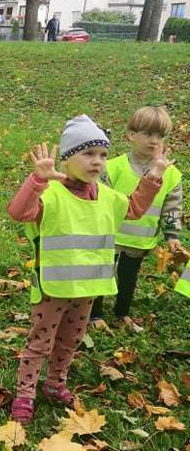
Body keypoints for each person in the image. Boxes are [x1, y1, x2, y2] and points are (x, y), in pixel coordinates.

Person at [7, 114, 167, 424]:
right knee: (40, 343)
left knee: (71, 340)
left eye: (103, 155)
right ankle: (25, 394)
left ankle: (55, 384)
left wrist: (154, 176)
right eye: (88, 153)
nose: (97, 161)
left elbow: (134, 208)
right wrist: (37, 181)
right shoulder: (51, 193)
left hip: (87, 289)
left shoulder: (107, 197)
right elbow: (19, 212)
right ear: (66, 158)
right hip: (53, 289)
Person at [90, 105, 183, 331]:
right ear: (131, 135)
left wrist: (172, 235)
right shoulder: (113, 167)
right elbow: (99, 199)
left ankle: (122, 313)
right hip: (109, 237)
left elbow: (172, 207)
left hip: (139, 241)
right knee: (102, 273)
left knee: (128, 278)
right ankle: (94, 314)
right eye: (148, 134)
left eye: (160, 136)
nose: (154, 141)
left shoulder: (171, 175)